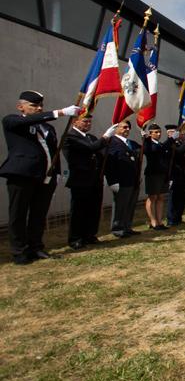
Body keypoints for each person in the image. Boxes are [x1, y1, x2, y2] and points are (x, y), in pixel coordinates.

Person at [1, 91, 79, 264]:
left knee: (39, 213)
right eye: (34, 106)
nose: (39, 108)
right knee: (18, 214)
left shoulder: (48, 128)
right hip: (22, 175)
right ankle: (19, 251)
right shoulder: (12, 121)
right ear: (20, 107)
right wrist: (59, 113)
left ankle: (36, 247)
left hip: (45, 177)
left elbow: (53, 152)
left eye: (41, 106)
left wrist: (56, 173)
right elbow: (26, 121)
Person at [63, 114, 115, 249]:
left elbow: (99, 152)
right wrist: (105, 137)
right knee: (79, 210)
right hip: (81, 179)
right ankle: (75, 238)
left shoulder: (90, 137)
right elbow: (89, 148)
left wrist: (107, 144)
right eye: (85, 121)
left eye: (90, 121)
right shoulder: (70, 137)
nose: (88, 124)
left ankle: (89, 235)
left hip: (94, 178)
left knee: (94, 209)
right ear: (75, 122)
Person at [105, 120, 142, 237]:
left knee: (130, 205)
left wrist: (145, 136)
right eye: (124, 127)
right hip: (121, 180)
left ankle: (127, 227)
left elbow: (144, 150)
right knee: (120, 205)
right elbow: (110, 163)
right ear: (116, 128)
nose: (127, 129)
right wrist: (112, 181)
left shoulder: (130, 143)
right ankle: (117, 228)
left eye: (128, 127)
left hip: (133, 179)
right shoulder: (112, 142)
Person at [142, 124, 170, 230]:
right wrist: (146, 139)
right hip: (153, 174)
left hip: (162, 173)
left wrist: (171, 139)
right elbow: (147, 151)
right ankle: (153, 221)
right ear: (150, 133)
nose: (158, 134)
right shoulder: (149, 144)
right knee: (152, 197)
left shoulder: (160, 144)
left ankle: (159, 220)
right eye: (156, 132)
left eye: (159, 132)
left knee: (161, 197)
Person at [165, 125, 185, 226]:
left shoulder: (179, 142)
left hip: (182, 174)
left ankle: (178, 217)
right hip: (173, 174)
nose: (174, 133)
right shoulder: (168, 144)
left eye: (175, 132)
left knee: (181, 197)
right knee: (173, 198)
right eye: (171, 132)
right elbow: (178, 152)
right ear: (168, 133)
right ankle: (171, 219)